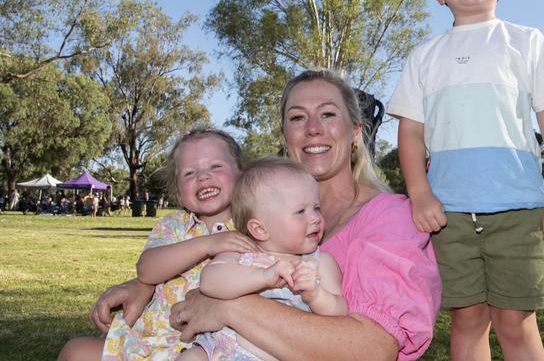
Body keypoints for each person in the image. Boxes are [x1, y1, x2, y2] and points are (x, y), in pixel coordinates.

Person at [78, 69, 441, 361]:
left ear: (356, 132)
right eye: (298, 118)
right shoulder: (262, 211)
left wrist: (230, 307)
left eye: (328, 114)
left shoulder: (388, 219)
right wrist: (145, 284)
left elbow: (373, 350)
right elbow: (207, 237)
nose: (313, 128)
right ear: (286, 136)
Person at [387, 0, 544, 361]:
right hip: (448, 214)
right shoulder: (424, 57)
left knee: (515, 321)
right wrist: (419, 194)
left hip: (518, 211)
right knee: (468, 319)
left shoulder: (526, 42)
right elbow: (411, 133)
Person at [58, 128, 259, 360]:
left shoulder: (256, 226)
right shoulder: (174, 225)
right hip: (149, 345)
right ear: (180, 195)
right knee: (76, 351)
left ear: (243, 175)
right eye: (189, 173)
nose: (203, 177)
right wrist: (208, 244)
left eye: (215, 166)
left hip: (213, 350)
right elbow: (146, 270)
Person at [179, 157, 347, 361]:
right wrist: (263, 276)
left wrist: (316, 295)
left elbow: (340, 311)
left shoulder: (320, 263)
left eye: (317, 208)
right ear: (259, 229)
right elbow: (210, 282)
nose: (315, 218)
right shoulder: (243, 252)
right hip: (221, 346)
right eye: (300, 211)